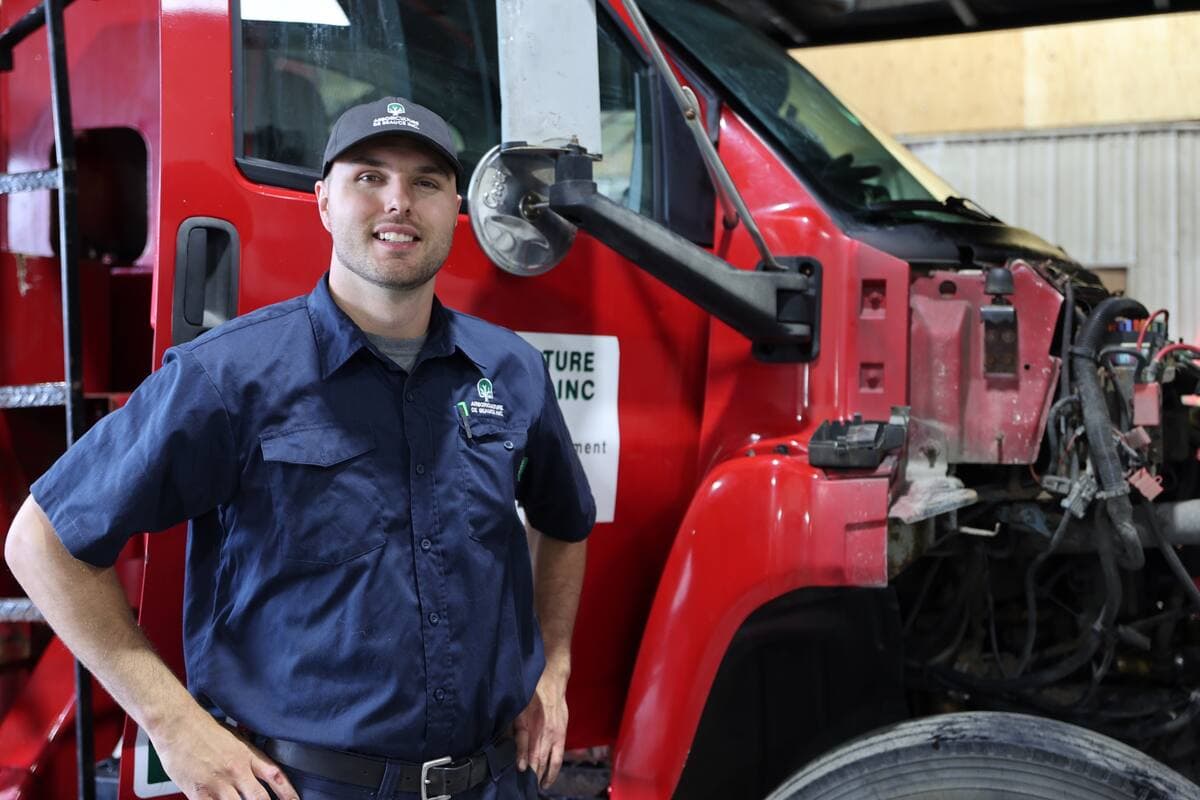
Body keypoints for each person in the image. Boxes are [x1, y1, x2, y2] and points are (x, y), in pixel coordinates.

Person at [4, 97, 595, 800]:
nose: (398, 202)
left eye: (426, 182)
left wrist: (552, 664)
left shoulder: (511, 370)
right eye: (369, 177)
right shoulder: (229, 376)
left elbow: (565, 521)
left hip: (496, 784)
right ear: (322, 203)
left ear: (456, 209)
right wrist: (174, 726)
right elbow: (41, 543)